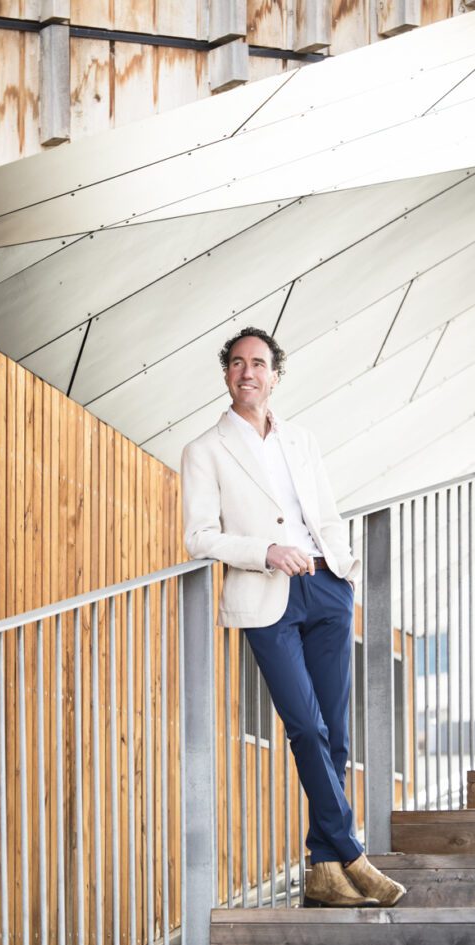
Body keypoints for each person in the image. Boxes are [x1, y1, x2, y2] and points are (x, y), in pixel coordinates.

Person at [180, 327, 405, 908]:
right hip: (266, 597)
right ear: (226, 374)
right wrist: (265, 552)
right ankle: (353, 851)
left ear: (275, 375)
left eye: (258, 363)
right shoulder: (204, 450)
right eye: (237, 363)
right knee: (305, 727)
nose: (247, 372)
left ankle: (324, 870)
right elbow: (199, 536)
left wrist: (343, 567)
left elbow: (325, 513)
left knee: (336, 733)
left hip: (326, 590)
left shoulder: (301, 440)